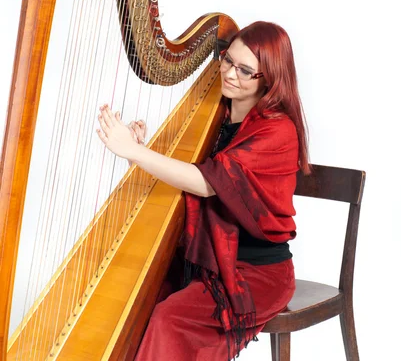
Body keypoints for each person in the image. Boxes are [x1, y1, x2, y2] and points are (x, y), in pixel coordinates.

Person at [96, 21, 310, 361]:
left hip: (257, 275)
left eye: (245, 70)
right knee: (127, 302)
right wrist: (143, 151)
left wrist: (136, 152)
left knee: (169, 318)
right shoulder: (217, 116)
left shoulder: (278, 131)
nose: (229, 73)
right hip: (208, 263)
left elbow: (209, 184)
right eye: (227, 60)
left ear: (268, 78)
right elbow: (187, 182)